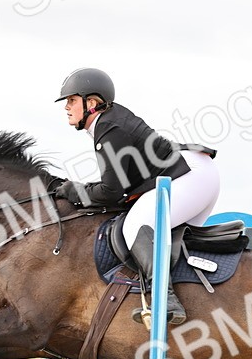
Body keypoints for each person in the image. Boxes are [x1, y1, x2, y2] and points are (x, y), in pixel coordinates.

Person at [52, 67, 220, 327]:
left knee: (135, 227)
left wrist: (73, 190)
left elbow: (111, 192)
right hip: (197, 175)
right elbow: (118, 186)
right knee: (170, 243)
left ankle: (165, 301)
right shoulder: (110, 121)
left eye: (72, 100)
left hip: (189, 177)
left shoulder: (107, 128)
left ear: (92, 103)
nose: (66, 107)